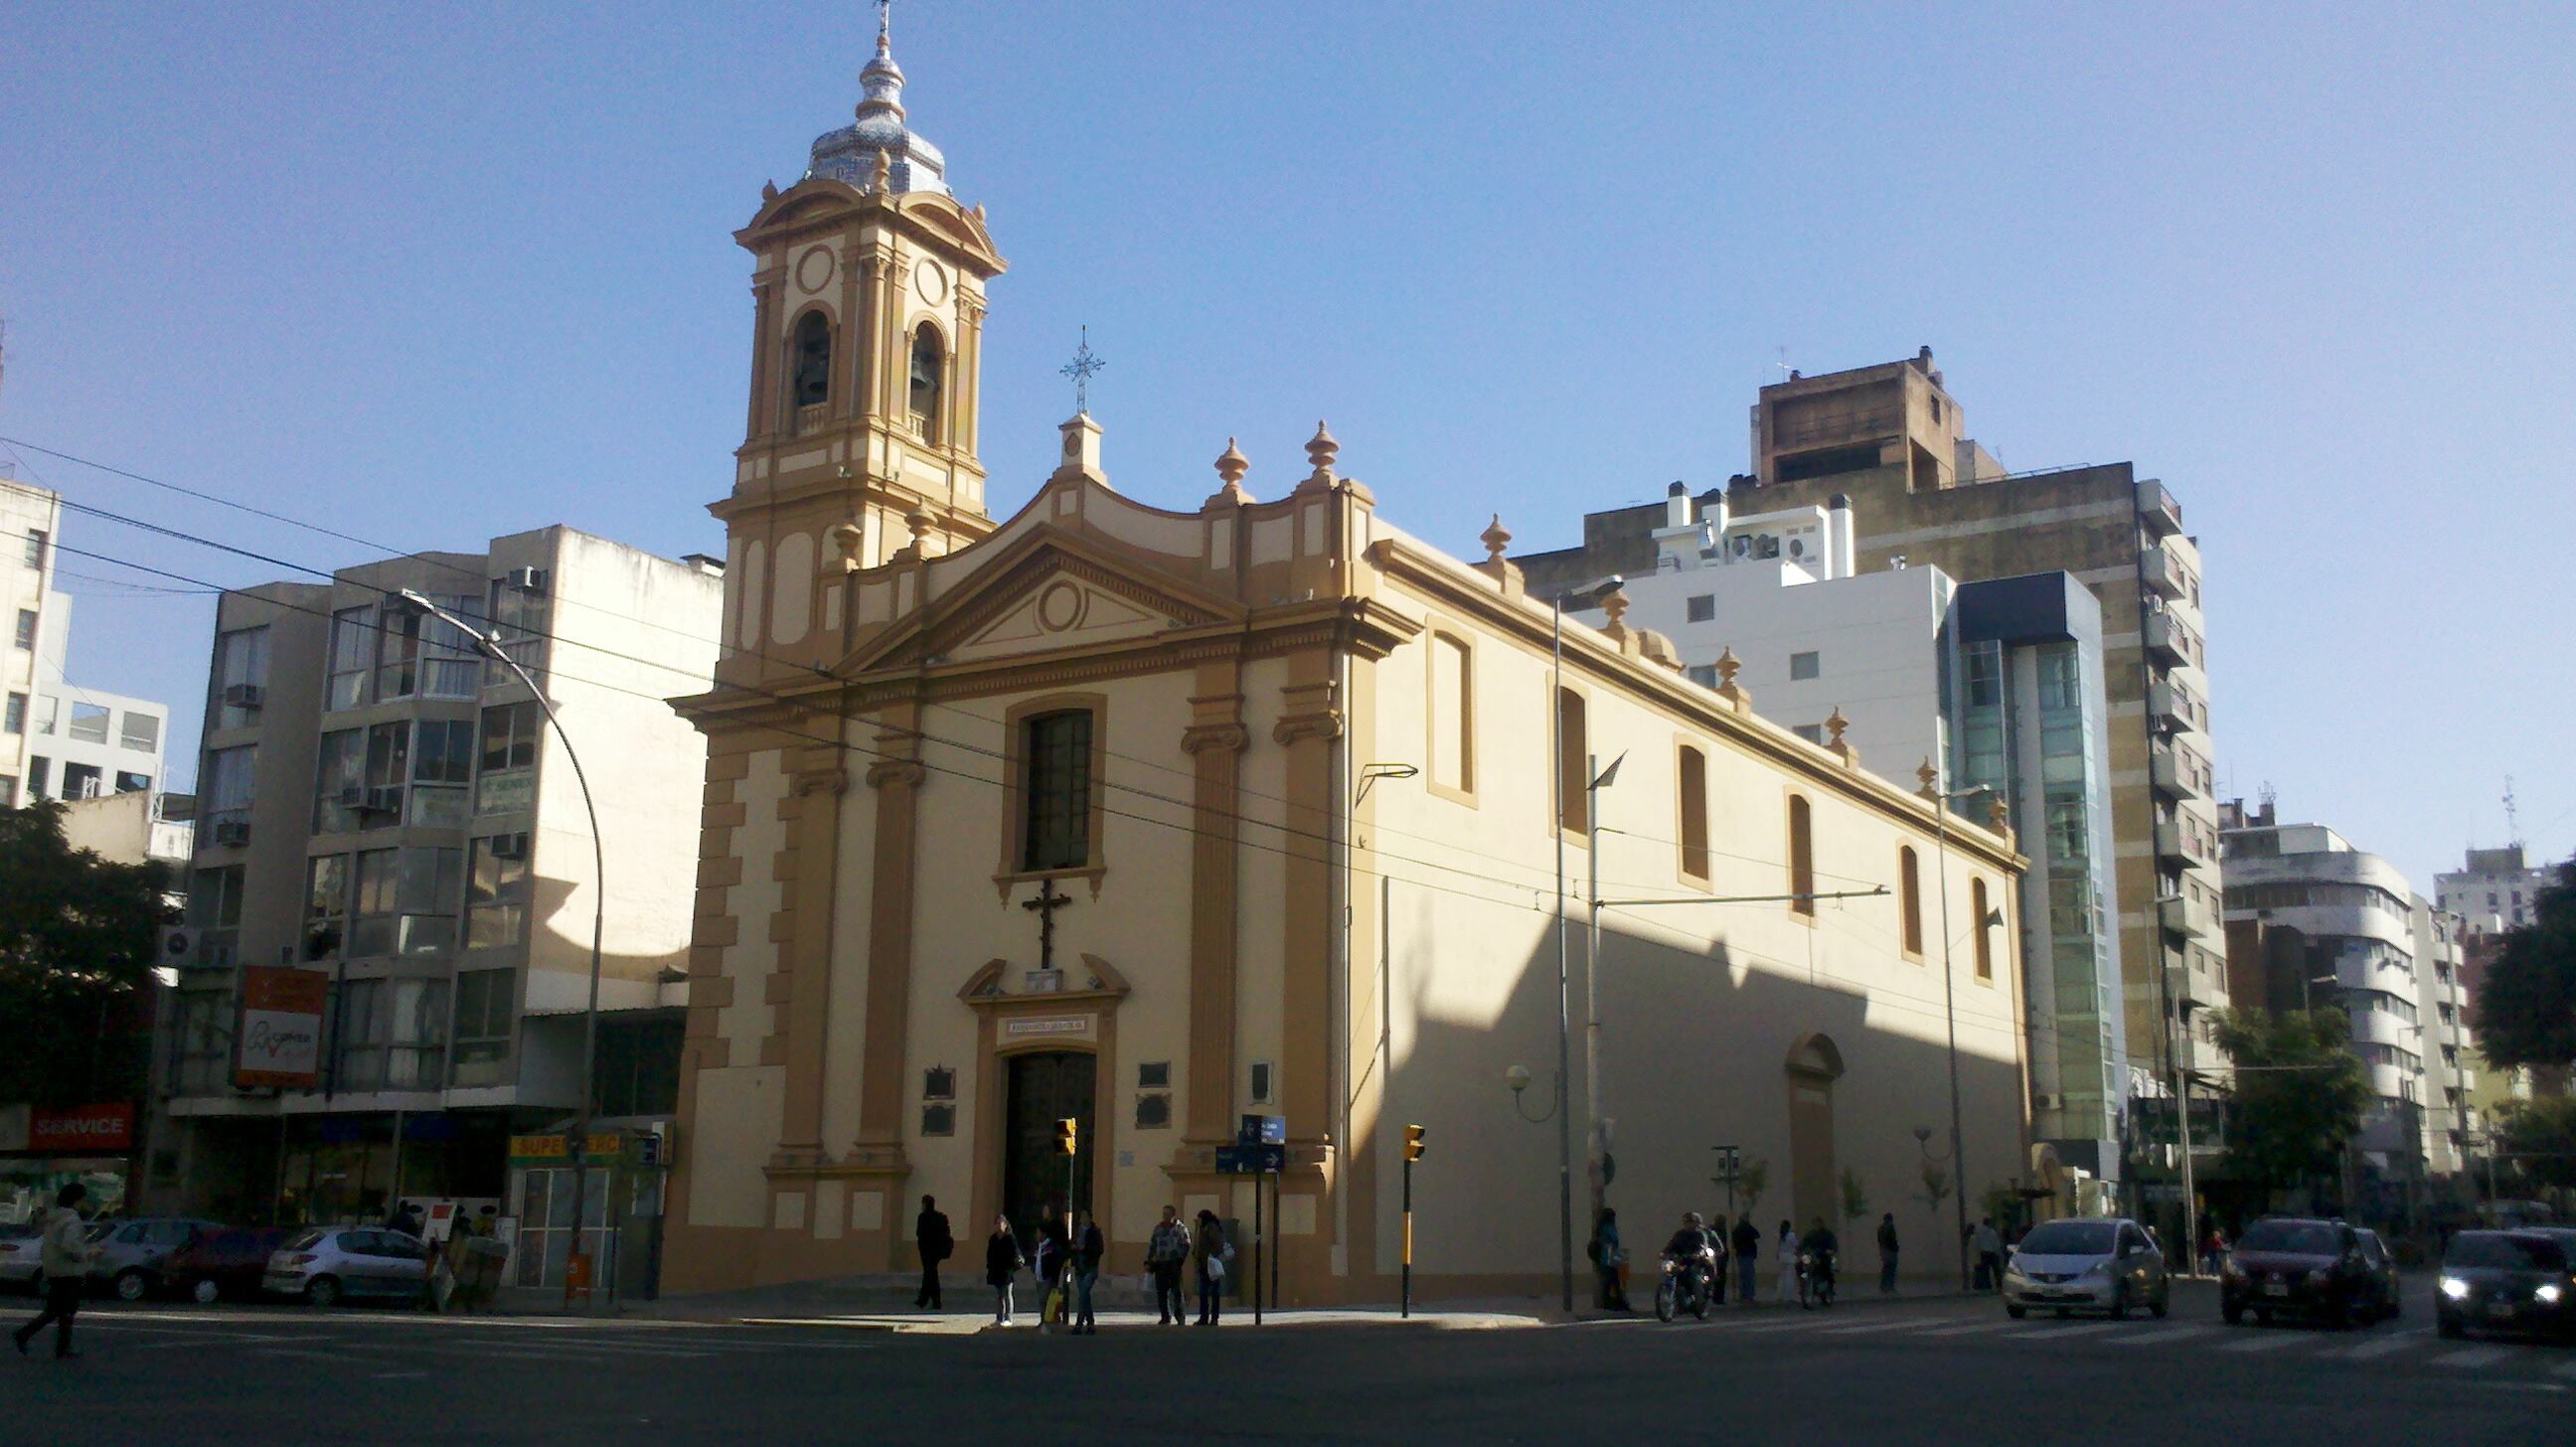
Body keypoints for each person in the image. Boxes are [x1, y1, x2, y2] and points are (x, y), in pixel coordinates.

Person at [13, 1183, 98, 1360]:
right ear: (78, 1200)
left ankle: (54, 1344)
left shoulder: (54, 1218)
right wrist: (89, 1253)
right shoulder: (72, 1220)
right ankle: (45, 1341)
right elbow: (70, 1246)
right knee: (66, 1310)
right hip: (69, 1271)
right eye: (84, 1200)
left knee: (57, 1309)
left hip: (53, 1268)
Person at [1147, 1206, 1192, 1325]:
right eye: (1163, 1214)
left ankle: (1180, 1316)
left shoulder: (1180, 1228)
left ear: (1173, 1215)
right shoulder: (1158, 1228)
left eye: (1167, 1214)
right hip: (1160, 1263)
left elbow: (1186, 1244)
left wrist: (1180, 1259)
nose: (1165, 1216)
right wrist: (1149, 1260)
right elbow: (1152, 1245)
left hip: (1174, 1263)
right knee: (1161, 1291)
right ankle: (1165, 1316)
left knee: (1176, 1291)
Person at [984, 1213, 1025, 1326]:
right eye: (996, 1223)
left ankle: (1008, 1318)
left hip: (1007, 1271)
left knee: (1007, 1294)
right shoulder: (993, 1238)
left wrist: (1012, 1266)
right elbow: (989, 1254)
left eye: (1000, 1223)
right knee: (999, 1296)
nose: (998, 1226)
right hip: (996, 1270)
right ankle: (999, 1317)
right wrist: (990, 1266)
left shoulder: (1010, 1238)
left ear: (1005, 1225)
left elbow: (1015, 1253)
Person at [914, 1195, 953, 1310]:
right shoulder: (940, 1217)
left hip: (927, 1250)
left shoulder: (923, 1217)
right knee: (930, 1274)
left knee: (930, 1274)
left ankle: (930, 1300)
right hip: (937, 1251)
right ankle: (925, 1299)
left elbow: (919, 1233)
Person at [1194, 1209, 1230, 1326]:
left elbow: (1218, 1243)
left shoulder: (1211, 1227)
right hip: (1203, 1264)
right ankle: (1204, 1316)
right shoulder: (1202, 1228)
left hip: (1211, 1264)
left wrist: (1211, 1255)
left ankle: (1213, 1317)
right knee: (1203, 1292)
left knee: (1213, 1291)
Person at [1072, 1212, 1105, 1335]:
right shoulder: (1077, 1231)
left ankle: (1079, 1324)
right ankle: (1090, 1324)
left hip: (1090, 1267)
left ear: (1090, 1218)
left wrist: (1085, 1248)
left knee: (1083, 1294)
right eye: (1081, 1217)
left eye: (1085, 1217)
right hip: (1079, 1268)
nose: (1083, 1219)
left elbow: (1100, 1249)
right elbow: (1072, 1246)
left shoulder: (1095, 1232)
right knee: (1084, 1296)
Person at [1804, 1217, 1840, 1298]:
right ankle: (1805, 1283)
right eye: (1815, 1224)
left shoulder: (1827, 1234)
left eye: (1818, 1223)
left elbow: (1833, 1244)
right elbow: (1804, 1243)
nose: (1817, 1225)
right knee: (1803, 1265)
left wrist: (1831, 1250)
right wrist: (1800, 1250)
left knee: (1826, 1270)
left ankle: (1829, 1288)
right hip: (1813, 1256)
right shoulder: (1810, 1234)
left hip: (1824, 1256)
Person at [1730, 1214, 1761, 1304]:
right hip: (1747, 1254)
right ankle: (1748, 1296)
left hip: (1740, 1254)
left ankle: (1743, 1295)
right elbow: (1757, 1234)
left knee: (1743, 1275)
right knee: (1749, 1276)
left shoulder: (1737, 1229)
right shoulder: (1746, 1227)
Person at [1973, 1217, 2005, 1292]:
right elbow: (1996, 1244)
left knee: (1985, 1270)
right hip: (1992, 1253)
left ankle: (1987, 1285)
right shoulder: (1992, 1232)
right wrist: (1999, 1253)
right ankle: (1999, 1285)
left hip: (1983, 1253)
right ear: (1989, 1223)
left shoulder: (1978, 1231)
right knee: (1996, 1270)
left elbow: (1977, 1241)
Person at [1773, 1219, 1799, 1304]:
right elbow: (1796, 1245)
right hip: (1790, 1257)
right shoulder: (1791, 1235)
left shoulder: (1779, 1235)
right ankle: (1787, 1297)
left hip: (1781, 1256)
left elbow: (1778, 1246)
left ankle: (1778, 1296)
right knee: (1789, 1278)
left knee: (1781, 1277)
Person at [1706, 1213, 1730, 1304]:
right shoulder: (1714, 1231)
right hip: (1716, 1257)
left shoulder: (1719, 1230)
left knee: (1720, 1278)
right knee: (1717, 1277)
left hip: (1720, 1256)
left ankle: (1718, 1298)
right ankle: (1717, 1298)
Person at [1876, 1211, 1900, 1294]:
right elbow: (1893, 1240)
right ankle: (1890, 1286)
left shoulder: (1880, 1228)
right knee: (1892, 1269)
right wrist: (1896, 1248)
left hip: (1884, 1250)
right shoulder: (1890, 1227)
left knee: (1885, 1268)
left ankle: (1883, 1286)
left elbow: (1879, 1240)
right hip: (1891, 1251)